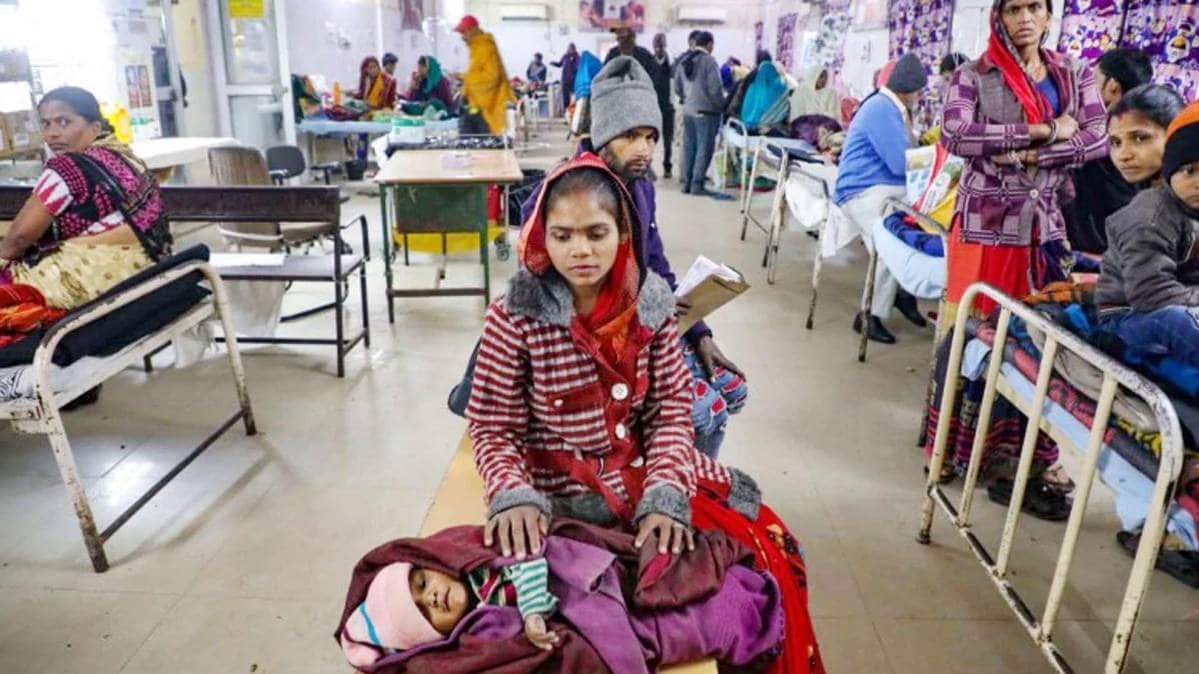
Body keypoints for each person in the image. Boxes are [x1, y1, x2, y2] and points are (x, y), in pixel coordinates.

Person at [474, 153, 824, 674]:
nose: (580, 250)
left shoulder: (651, 307)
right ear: (541, 237)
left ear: (622, 233)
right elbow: (492, 424)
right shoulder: (514, 315)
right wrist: (511, 492)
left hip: (644, 478)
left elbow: (670, 416)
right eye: (563, 235)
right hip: (558, 497)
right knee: (577, 628)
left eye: (596, 232)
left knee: (768, 550)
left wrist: (665, 494)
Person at [520, 56, 749, 457]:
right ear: (605, 134)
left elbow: (656, 264)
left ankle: (686, 481)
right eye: (630, 136)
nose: (644, 149)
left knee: (733, 390)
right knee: (702, 412)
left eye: (651, 137)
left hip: (643, 330)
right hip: (592, 348)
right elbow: (556, 286)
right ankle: (675, 487)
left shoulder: (638, 184)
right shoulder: (571, 191)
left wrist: (699, 335)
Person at [934, 0, 1108, 508]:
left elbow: (1097, 138)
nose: (1025, 18)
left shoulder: (1073, 74)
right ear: (1000, 17)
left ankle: (1026, 453)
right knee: (972, 331)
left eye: (1036, 7)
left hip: (1045, 226)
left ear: (1050, 16)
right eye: (1014, 9)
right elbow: (956, 134)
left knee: (1034, 337)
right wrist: (1043, 130)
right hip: (986, 226)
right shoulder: (974, 74)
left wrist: (1029, 155)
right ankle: (954, 448)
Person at [337, 521, 784, 671]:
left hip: (593, 580)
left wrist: (533, 609)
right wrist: (531, 627)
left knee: (678, 580)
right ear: (434, 639)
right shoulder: (477, 630)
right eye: (424, 612)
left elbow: (532, 557)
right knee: (700, 618)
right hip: (591, 619)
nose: (433, 595)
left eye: (421, 583)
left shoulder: (478, 568)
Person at [0, 86, 170, 311]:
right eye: (46, 123)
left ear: (94, 127)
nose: (52, 133)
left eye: (64, 122)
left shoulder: (67, 169)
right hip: (146, 270)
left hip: (89, 283)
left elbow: (19, 238)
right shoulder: (123, 156)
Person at [1096, 99, 1199, 373]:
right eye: (1189, 170)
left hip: (1182, 299)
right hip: (1126, 316)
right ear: (1169, 172)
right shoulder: (1150, 217)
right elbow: (1150, 295)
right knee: (1178, 322)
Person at [834, 53, 930, 344]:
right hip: (862, 191)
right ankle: (868, 316)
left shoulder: (887, 106)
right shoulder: (882, 109)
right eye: (919, 92)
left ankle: (903, 293)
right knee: (892, 243)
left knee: (919, 218)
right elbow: (900, 164)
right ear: (911, 89)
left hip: (877, 187)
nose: (918, 97)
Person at [1065, 47, 1154, 254]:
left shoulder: (1106, 130)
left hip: (1090, 246)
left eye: (1092, 78)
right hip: (1123, 246)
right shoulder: (1148, 128)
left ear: (1112, 86)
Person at [604, 26, 671, 178]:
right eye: (618, 38)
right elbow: (605, 78)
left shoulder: (644, 55)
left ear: (632, 39)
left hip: (640, 108)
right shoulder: (612, 54)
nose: (620, 41)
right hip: (619, 106)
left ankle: (642, 168)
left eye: (623, 38)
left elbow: (656, 79)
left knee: (640, 139)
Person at [676, 31, 730, 199]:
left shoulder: (683, 60)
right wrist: (722, 106)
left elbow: (677, 88)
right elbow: (715, 89)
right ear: (709, 44)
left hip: (688, 111)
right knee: (703, 149)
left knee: (689, 147)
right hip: (706, 113)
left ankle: (686, 183)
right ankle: (697, 185)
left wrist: (688, 100)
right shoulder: (709, 61)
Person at [455, 14, 515, 135]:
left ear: (473, 30)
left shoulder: (485, 46)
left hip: (490, 105)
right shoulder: (476, 47)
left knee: (486, 145)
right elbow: (478, 73)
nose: (462, 36)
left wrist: (465, 77)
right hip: (480, 104)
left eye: (464, 32)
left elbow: (492, 77)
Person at [652, 32, 675, 179]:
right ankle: (647, 167)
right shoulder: (650, 63)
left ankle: (667, 166)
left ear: (665, 46)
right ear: (654, 47)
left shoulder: (672, 62)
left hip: (668, 107)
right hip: (653, 107)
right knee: (650, 139)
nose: (659, 49)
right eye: (657, 46)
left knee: (668, 141)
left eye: (661, 46)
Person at [550, 43, 579, 113]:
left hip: (573, 79)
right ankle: (567, 111)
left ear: (574, 49)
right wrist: (554, 63)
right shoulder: (565, 56)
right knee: (565, 97)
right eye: (569, 48)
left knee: (574, 96)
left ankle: (574, 111)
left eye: (572, 48)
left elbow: (577, 67)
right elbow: (560, 64)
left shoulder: (577, 57)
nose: (571, 49)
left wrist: (573, 73)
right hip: (565, 79)